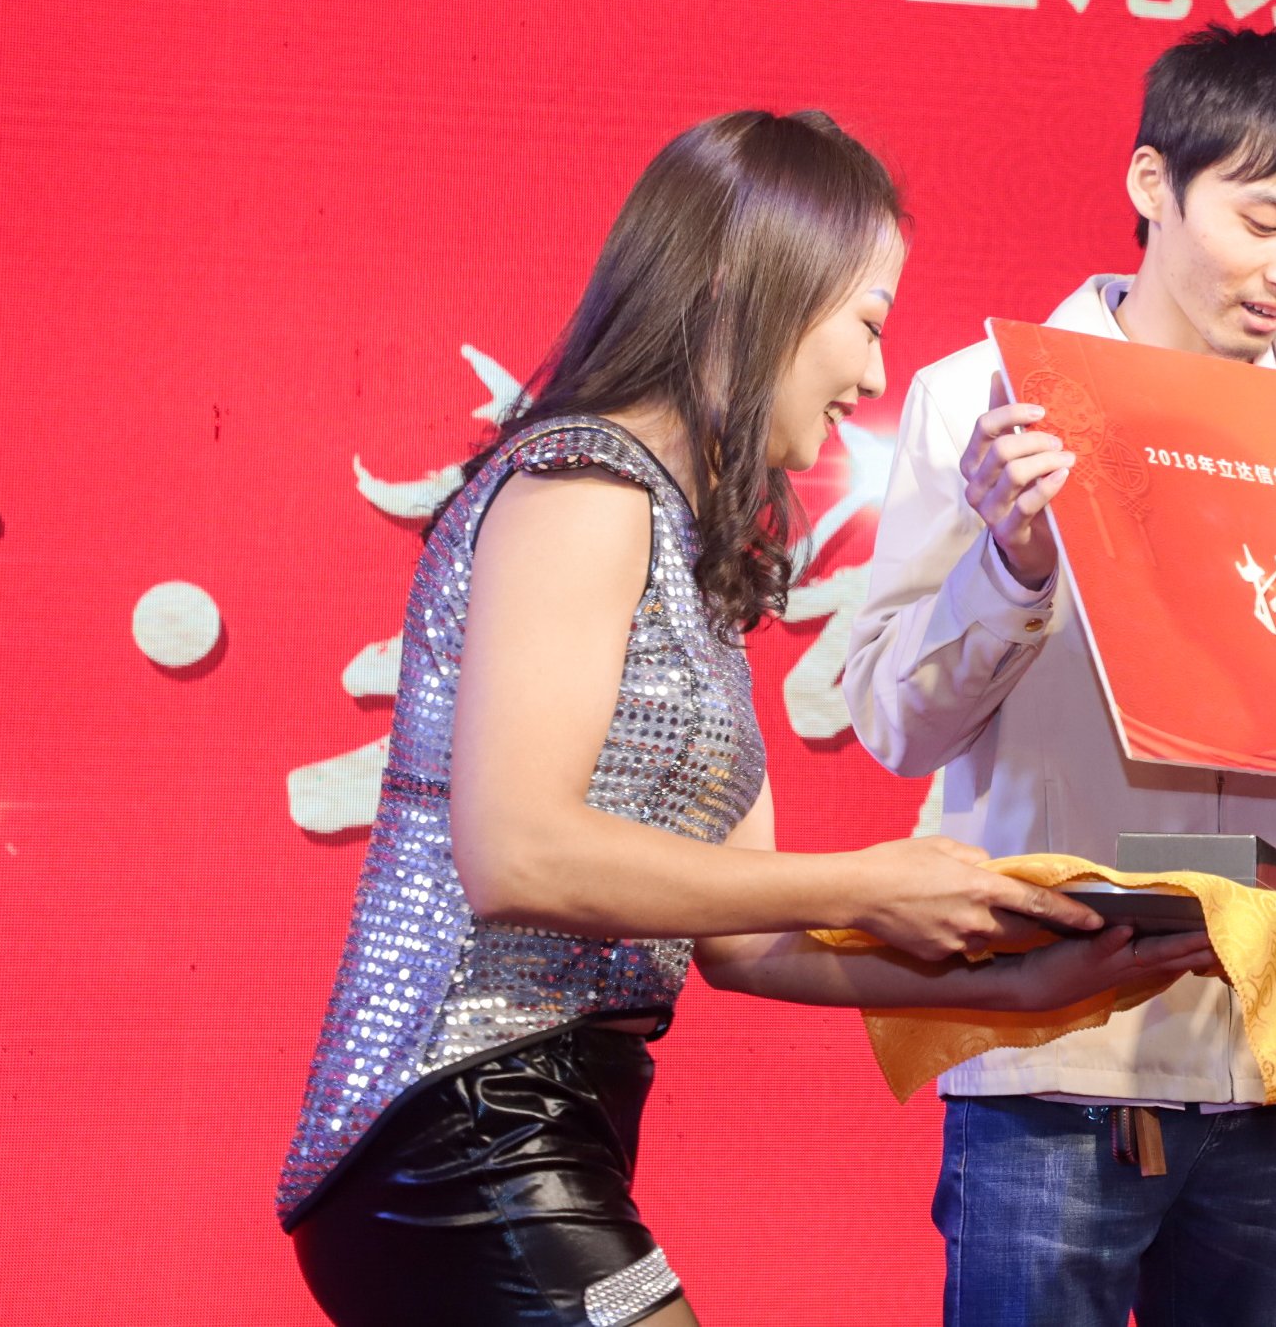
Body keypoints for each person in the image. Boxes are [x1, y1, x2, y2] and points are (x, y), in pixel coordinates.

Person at [277, 111, 1215, 1327]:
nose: (872, 376)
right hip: (453, 1124)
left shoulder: (687, 539)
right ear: (743, 292)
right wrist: (866, 880)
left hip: (549, 1123)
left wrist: (1024, 985)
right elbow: (517, 853)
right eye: (866, 323)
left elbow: (748, 938)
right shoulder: (583, 488)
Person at [843, 25, 1276, 1327]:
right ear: (1152, 183)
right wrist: (1012, 561)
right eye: (1262, 221)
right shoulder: (981, 400)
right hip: (1059, 1046)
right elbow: (895, 721)